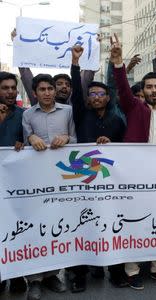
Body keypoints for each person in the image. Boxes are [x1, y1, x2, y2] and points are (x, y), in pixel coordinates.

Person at [110, 33, 156, 289]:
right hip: (134, 178)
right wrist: (118, 63)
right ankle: (132, 269)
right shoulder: (134, 108)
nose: (153, 90)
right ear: (143, 91)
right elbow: (123, 89)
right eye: (148, 87)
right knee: (133, 223)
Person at [66, 45, 127, 293]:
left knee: (112, 224)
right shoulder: (81, 113)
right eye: (91, 94)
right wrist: (75, 63)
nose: (95, 97)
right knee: (83, 225)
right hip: (84, 179)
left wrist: (112, 145)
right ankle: (80, 274)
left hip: (110, 181)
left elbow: (127, 146)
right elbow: (77, 92)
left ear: (108, 97)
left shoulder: (117, 117)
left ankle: (114, 270)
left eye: (100, 93)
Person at [22, 73, 77, 300]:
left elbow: (76, 139)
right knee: (35, 227)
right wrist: (31, 138)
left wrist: (66, 139)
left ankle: (53, 274)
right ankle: (34, 279)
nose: (47, 93)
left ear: (56, 91)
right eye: (42, 89)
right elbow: (23, 144)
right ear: (35, 93)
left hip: (63, 179)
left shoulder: (69, 112)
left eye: (50, 89)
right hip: (36, 180)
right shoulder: (27, 115)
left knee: (58, 225)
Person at [0, 72, 27, 294]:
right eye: (5, 88)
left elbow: (31, 141)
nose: (10, 92)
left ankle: (18, 276)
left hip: (16, 183)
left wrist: (25, 144)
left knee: (16, 230)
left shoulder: (23, 115)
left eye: (13, 88)